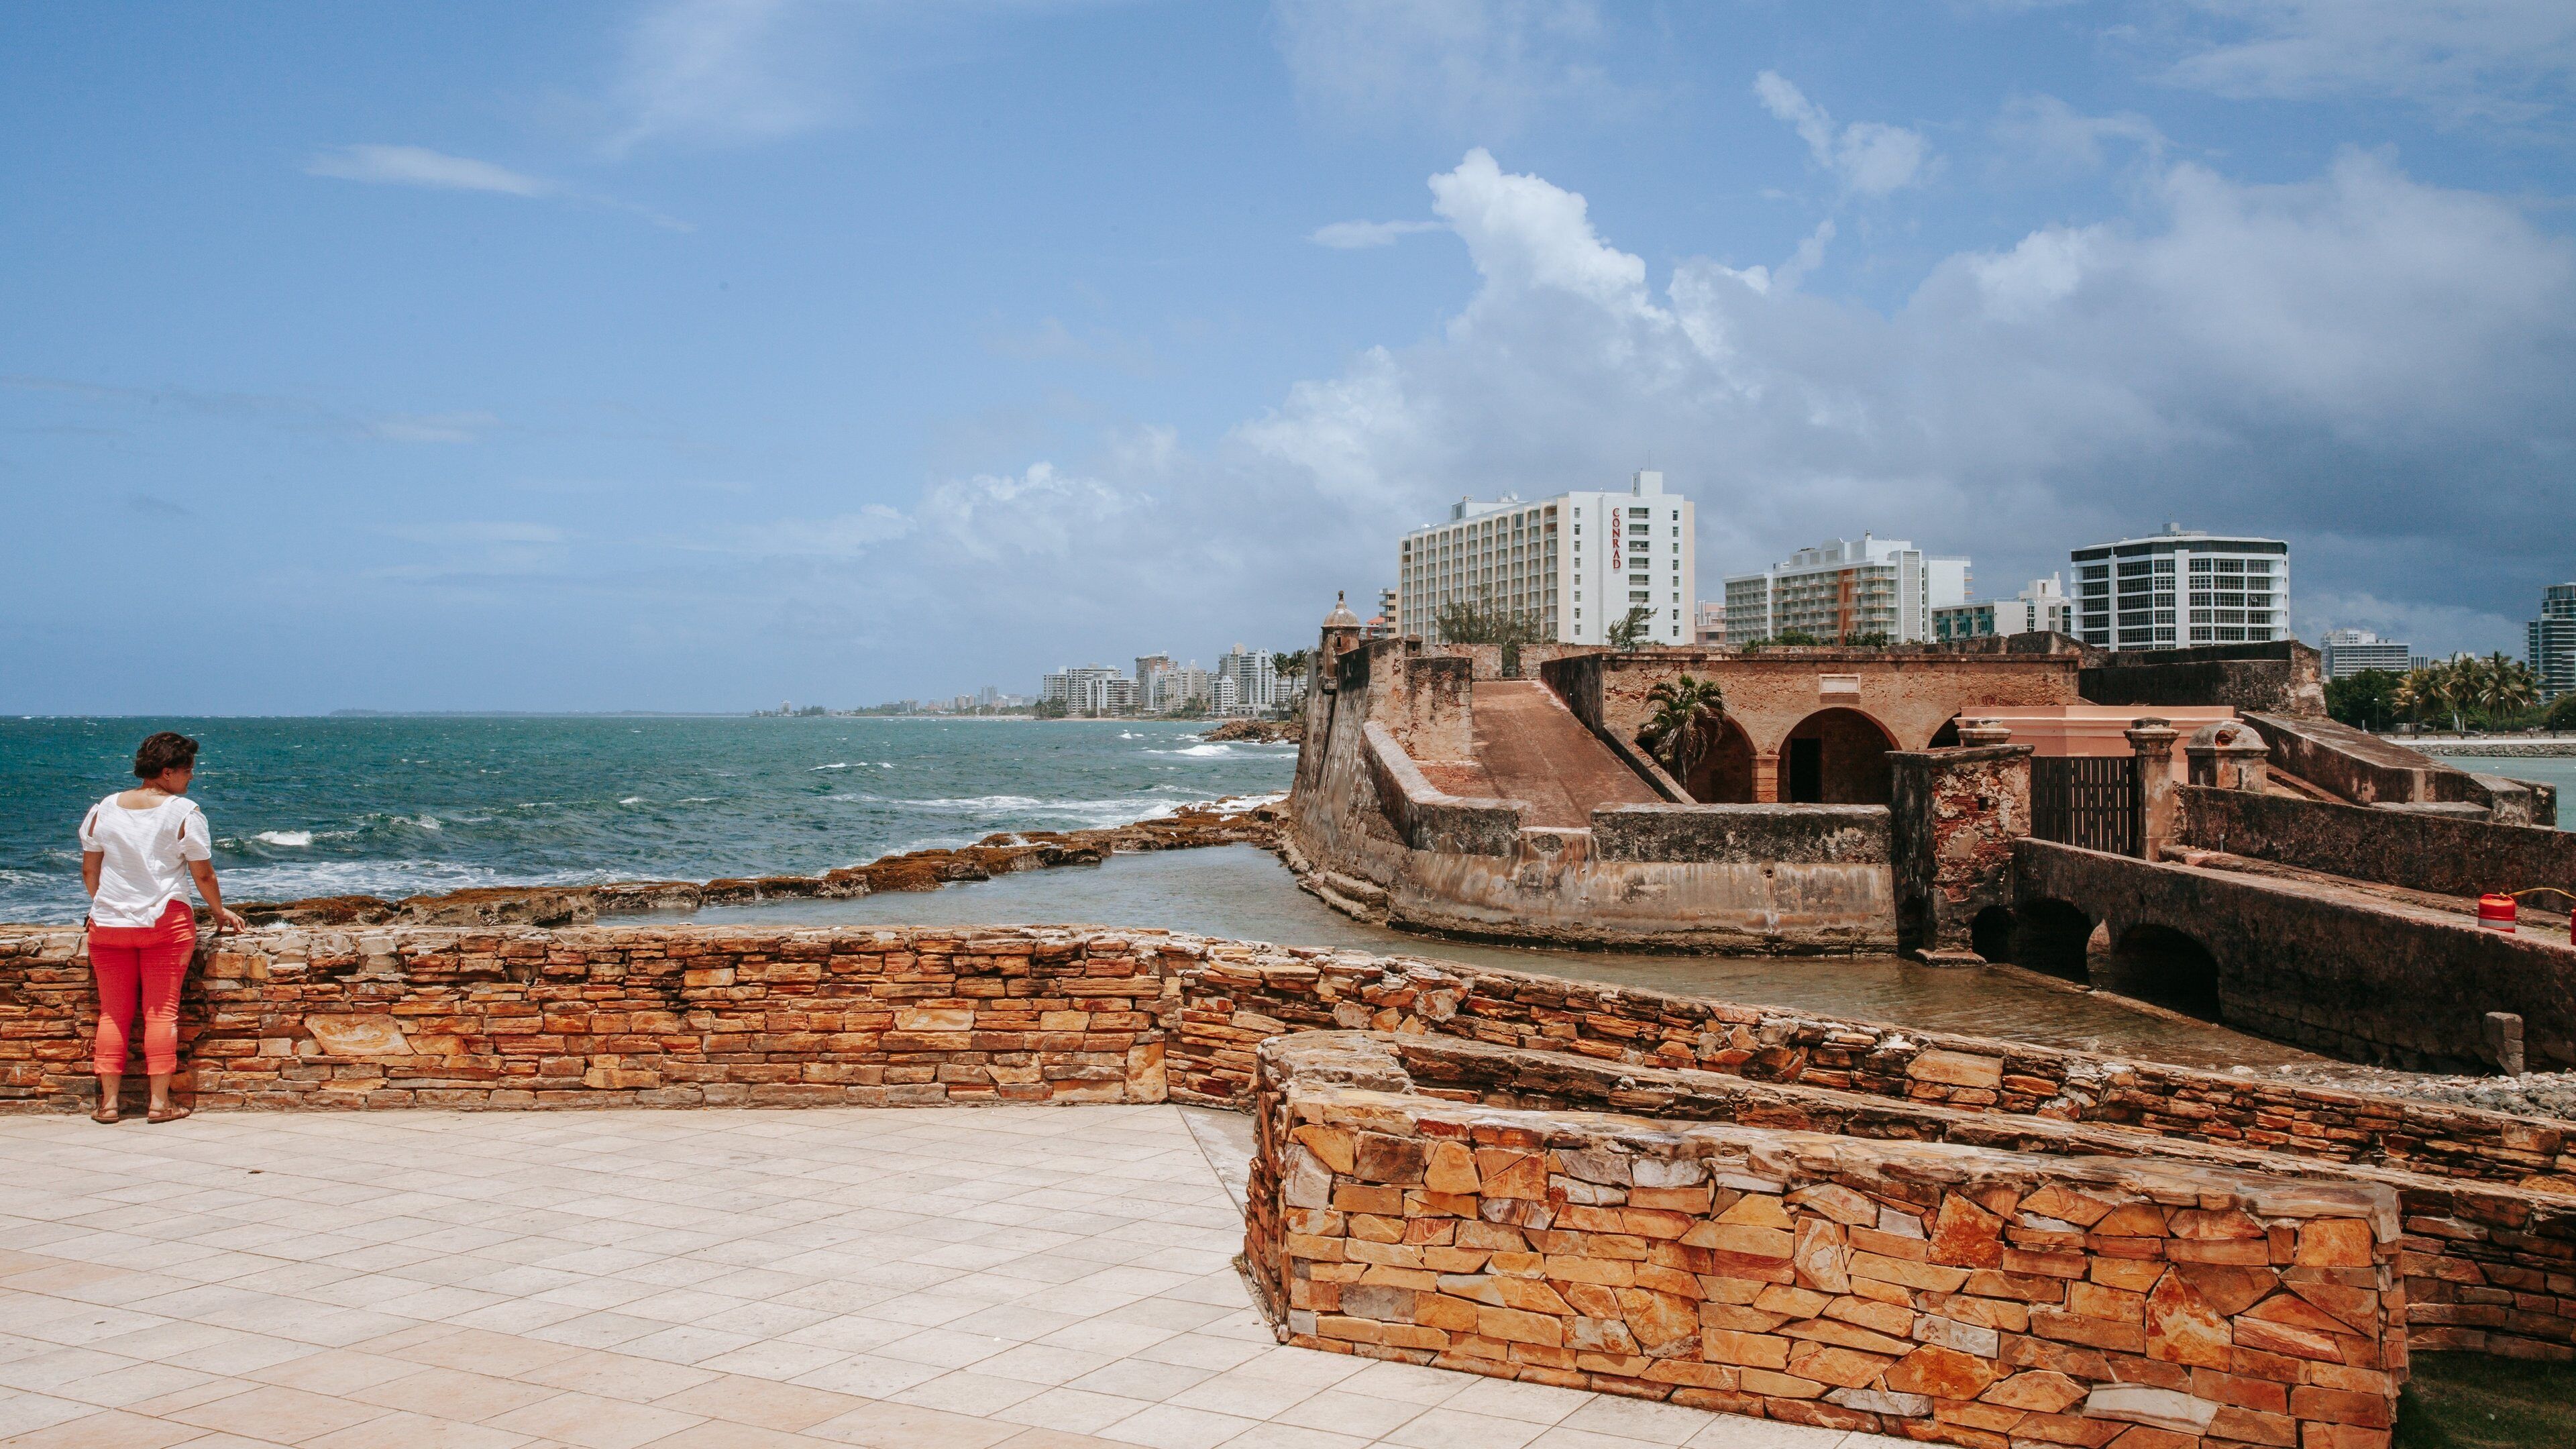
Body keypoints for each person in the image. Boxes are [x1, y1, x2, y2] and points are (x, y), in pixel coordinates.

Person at [78, 731, 246, 1124]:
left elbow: (91, 870)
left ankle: (109, 1105)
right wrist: (220, 912)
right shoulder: (184, 812)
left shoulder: (103, 809)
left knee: (113, 1015)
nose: (192, 778)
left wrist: (104, 903)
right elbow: (202, 874)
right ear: (168, 772)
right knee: (161, 1014)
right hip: (165, 924)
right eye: (188, 771)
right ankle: (159, 1104)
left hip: (108, 925)